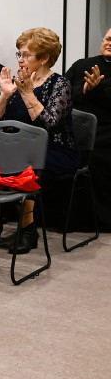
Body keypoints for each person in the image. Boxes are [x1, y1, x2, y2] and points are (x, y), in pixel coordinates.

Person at [0, 28, 79, 254]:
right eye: (19, 54)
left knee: (24, 166)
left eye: (26, 55)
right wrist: (4, 95)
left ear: (44, 58)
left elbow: (49, 123)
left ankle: (28, 229)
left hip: (55, 149)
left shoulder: (59, 84)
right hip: (14, 148)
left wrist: (28, 93)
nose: (20, 60)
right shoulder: (13, 83)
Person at [65, 26, 111, 228]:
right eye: (108, 39)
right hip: (73, 127)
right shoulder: (82, 64)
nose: (109, 43)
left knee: (98, 156)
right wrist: (84, 89)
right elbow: (63, 92)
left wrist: (96, 89)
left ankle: (98, 221)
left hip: (106, 130)